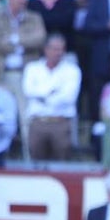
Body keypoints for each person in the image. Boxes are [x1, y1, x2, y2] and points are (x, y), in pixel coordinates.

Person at [22, 33, 82, 162]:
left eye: (61, 49)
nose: (58, 53)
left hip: (61, 123)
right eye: (55, 49)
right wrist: (52, 91)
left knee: (62, 163)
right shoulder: (32, 68)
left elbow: (68, 97)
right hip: (38, 122)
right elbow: (28, 91)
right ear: (46, 49)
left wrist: (41, 97)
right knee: (36, 164)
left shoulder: (72, 70)